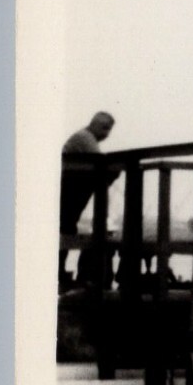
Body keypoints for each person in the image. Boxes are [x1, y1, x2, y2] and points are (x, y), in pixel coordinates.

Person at [60, 112, 118, 284]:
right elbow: (102, 165)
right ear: (95, 124)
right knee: (65, 228)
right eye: (106, 129)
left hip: (70, 196)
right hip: (68, 195)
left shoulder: (84, 138)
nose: (107, 134)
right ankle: (58, 271)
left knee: (67, 228)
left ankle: (59, 271)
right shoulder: (85, 138)